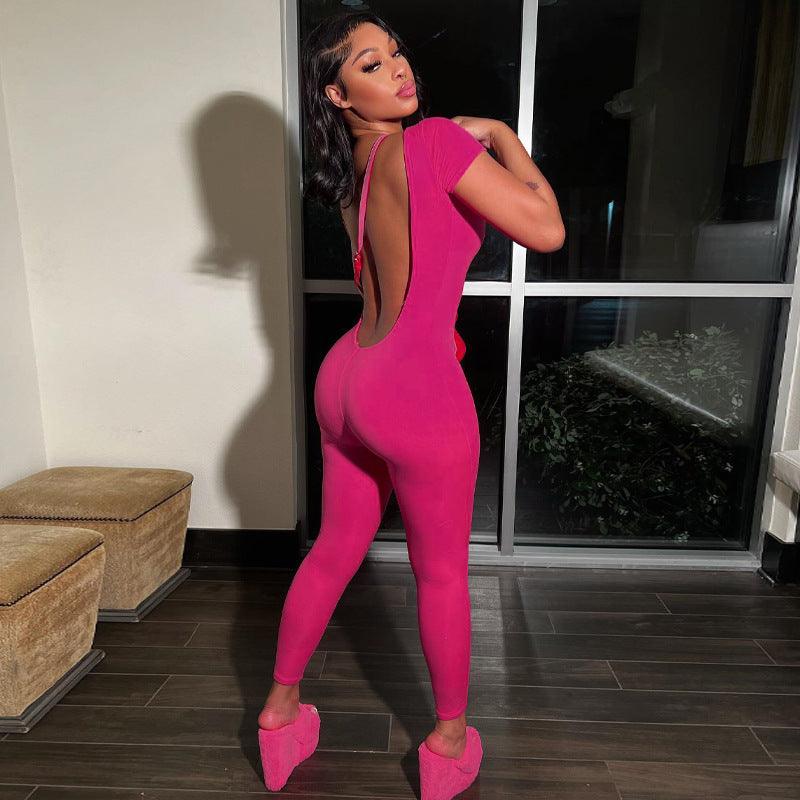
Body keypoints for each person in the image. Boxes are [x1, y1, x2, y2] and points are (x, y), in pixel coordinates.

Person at [256, 10, 564, 796]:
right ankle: (448, 744)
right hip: (415, 385)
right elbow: (546, 229)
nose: (397, 68)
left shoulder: (354, 170)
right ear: (337, 93)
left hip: (346, 376)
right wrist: (502, 135)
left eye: (394, 53)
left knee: (332, 550)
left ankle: (280, 715)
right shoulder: (433, 143)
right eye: (370, 64)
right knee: (441, 576)